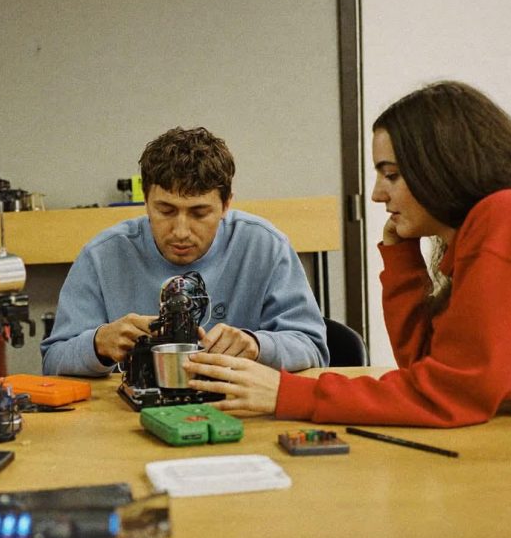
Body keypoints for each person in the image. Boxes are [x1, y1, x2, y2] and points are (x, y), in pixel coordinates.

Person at [184, 81, 511, 427]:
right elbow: (426, 367)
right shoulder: (497, 222)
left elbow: (449, 395)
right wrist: (402, 260)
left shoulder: (508, 219)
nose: (378, 194)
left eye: (391, 175)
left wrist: (287, 393)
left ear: (444, 167)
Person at [41, 126, 328, 377]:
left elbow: (313, 348)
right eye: (165, 210)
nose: (180, 231)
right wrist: (98, 345)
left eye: (199, 213)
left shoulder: (266, 247)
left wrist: (257, 345)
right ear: (146, 201)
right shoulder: (101, 256)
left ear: (226, 205)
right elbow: (53, 359)